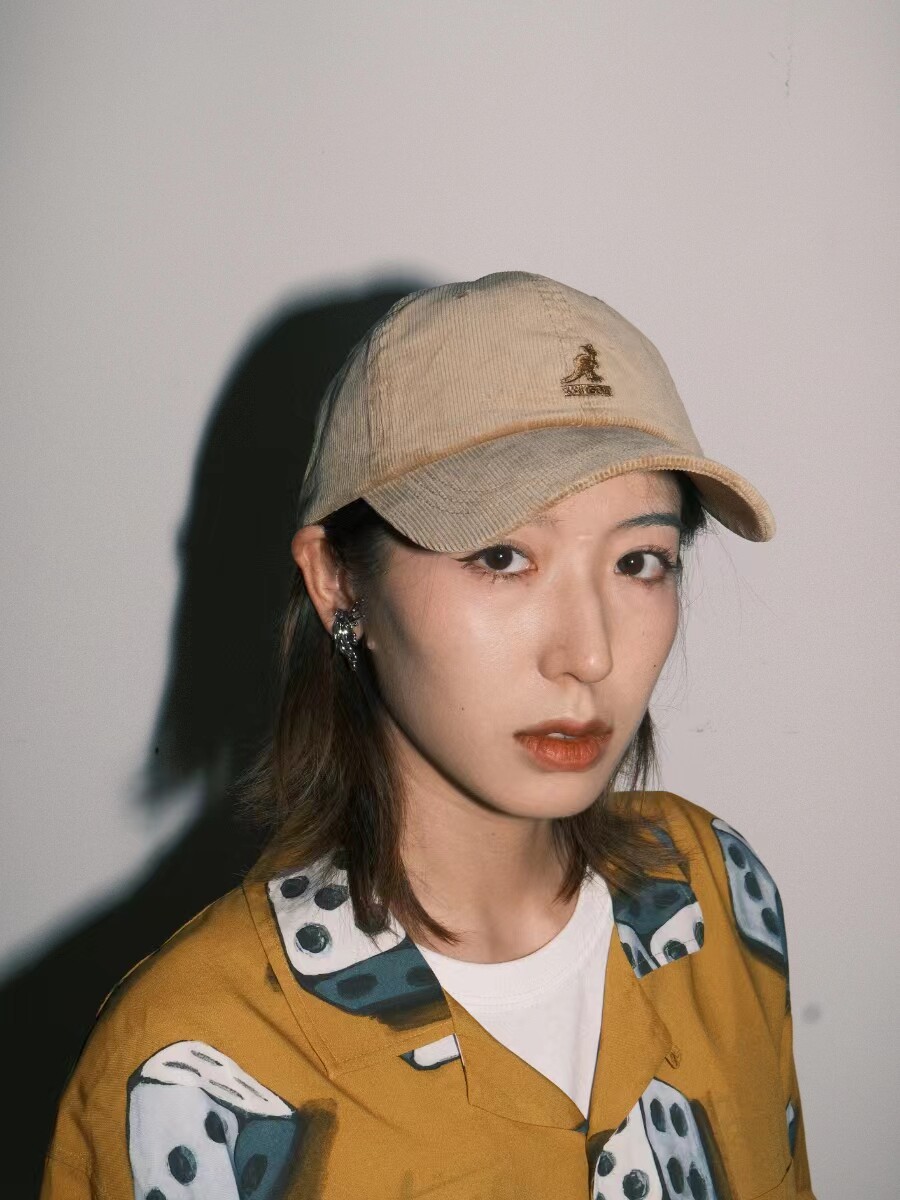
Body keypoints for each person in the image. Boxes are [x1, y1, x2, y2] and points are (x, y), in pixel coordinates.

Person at [40, 271, 814, 1199]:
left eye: (639, 561)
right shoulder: (194, 1062)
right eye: (503, 556)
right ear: (339, 583)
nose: (590, 654)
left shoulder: (714, 893)